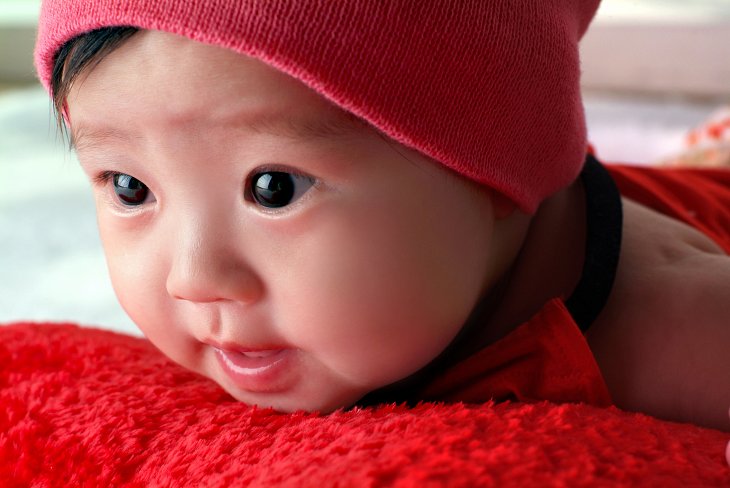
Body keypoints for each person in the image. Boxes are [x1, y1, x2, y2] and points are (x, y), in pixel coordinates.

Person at [34, 0, 729, 446]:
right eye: (130, 188)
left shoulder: (677, 334)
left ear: (492, 167)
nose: (194, 278)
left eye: (273, 189)